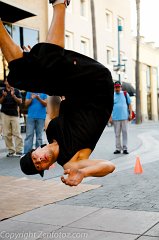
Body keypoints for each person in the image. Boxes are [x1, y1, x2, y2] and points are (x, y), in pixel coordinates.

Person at [0, 0, 115, 186]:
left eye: (35, 158)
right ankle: (60, 3)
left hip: (78, 86)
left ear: (35, 150)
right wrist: (83, 174)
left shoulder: (50, 129)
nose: (39, 160)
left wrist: (33, 64)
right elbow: (108, 166)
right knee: (49, 66)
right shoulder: (71, 161)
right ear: (46, 169)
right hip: (97, 85)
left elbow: (52, 100)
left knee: (20, 77)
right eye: (39, 166)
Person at [0, 79, 23, 157]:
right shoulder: (2, 91)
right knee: (6, 134)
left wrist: (14, 96)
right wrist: (3, 96)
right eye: (7, 81)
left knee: (17, 133)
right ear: (5, 82)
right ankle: (11, 151)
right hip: (4, 114)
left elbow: (20, 101)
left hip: (14, 114)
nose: (9, 82)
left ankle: (19, 150)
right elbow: (0, 102)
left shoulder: (16, 90)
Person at [111, 81, 132, 154]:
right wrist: (110, 117)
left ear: (121, 87)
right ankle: (118, 149)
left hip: (124, 117)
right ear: (114, 88)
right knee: (117, 134)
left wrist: (130, 114)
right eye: (116, 87)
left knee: (125, 133)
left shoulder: (125, 94)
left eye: (118, 87)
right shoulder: (112, 95)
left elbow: (129, 104)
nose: (117, 88)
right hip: (115, 118)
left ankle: (125, 148)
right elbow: (110, 107)